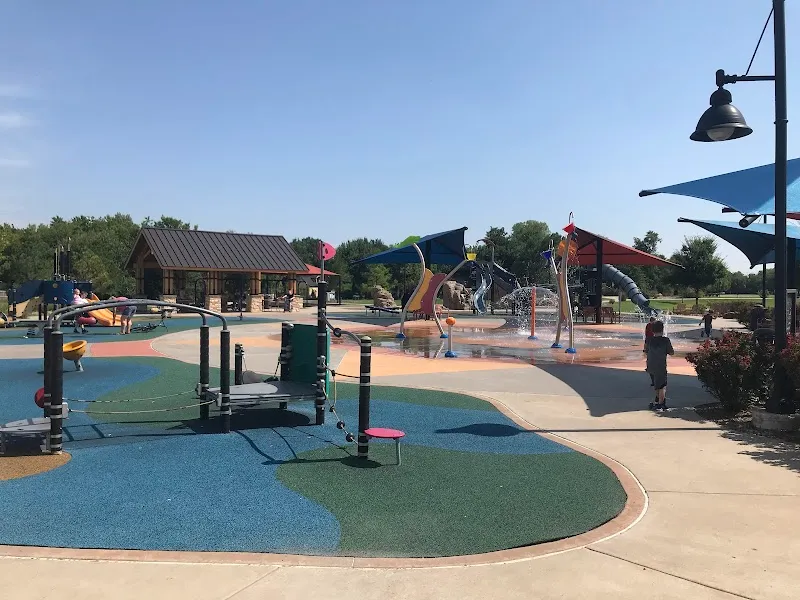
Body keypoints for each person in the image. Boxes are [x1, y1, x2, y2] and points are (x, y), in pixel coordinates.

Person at [644, 320, 674, 411]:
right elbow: (671, 352)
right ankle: (661, 404)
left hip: (650, 365)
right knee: (662, 385)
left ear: (652, 330)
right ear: (662, 329)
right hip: (660, 365)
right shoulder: (665, 340)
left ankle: (657, 401)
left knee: (656, 384)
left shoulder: (649, 340)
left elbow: (645, 351)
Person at [644, 316, 656, 387]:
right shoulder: (652, 325)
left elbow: (646, 333)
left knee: (650, 362)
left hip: (649, 341)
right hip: (650, 341)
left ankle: (653, 381)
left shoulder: (649, 325)